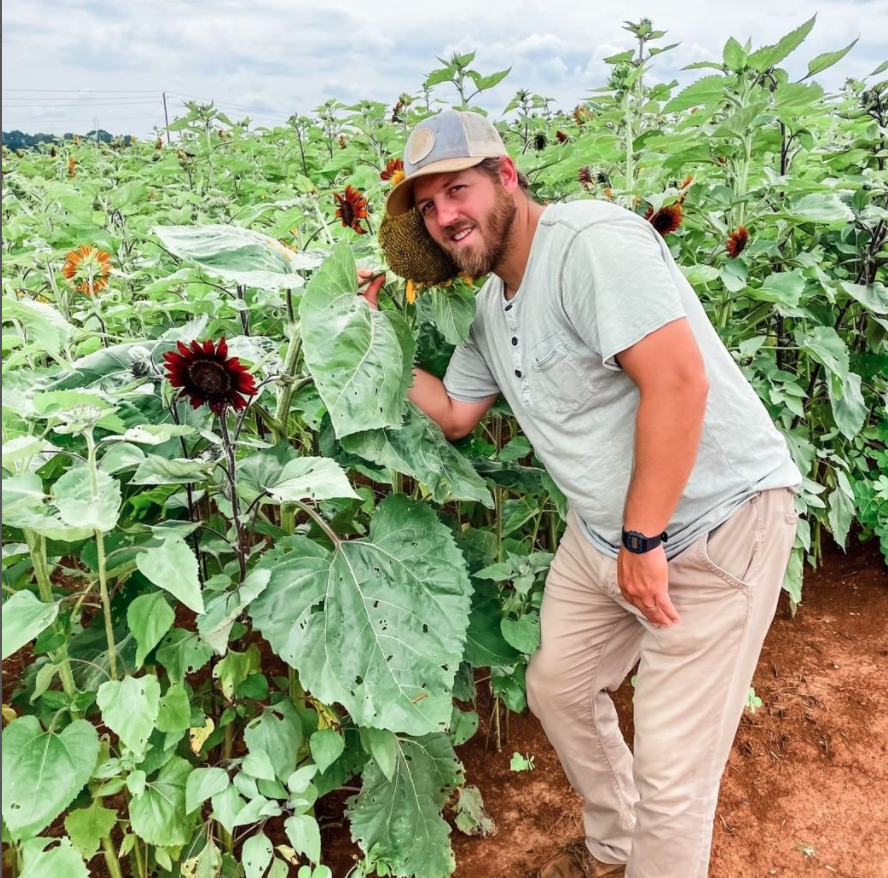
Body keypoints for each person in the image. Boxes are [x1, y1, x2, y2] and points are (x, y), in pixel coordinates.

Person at [358, 109, 802, 878]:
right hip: (602, 536)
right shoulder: (493, 308)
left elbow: (677, 380)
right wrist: (365, 338)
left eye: (455, 190)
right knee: (558, 689)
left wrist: (642, 540)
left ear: (505, 177)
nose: (443, 217)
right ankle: (613, 850)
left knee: (673, 779)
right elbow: (458, 415)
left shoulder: (589, 244)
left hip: (713, 527)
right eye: (426, 207)